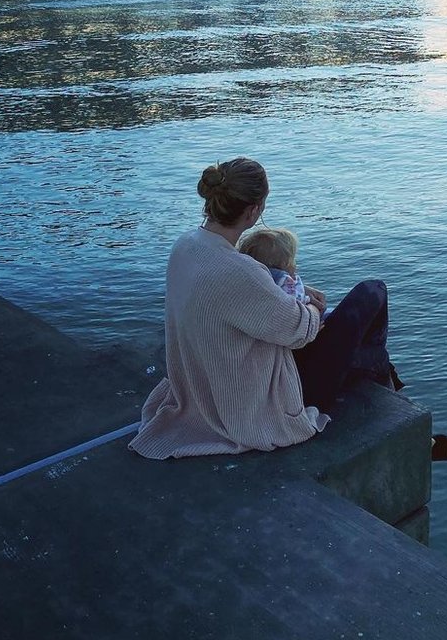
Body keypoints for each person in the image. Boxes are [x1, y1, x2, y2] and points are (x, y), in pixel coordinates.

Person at [130, 157, 398, 459]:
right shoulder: (239, 271)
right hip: (256, 403)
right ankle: (386, 384)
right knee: (371, 293)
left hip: (208, 381)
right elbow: (301, 332)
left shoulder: (186, 247)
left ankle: (381, 375)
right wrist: (309, 303)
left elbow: (244, 301)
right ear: (254, 210)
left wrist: (291, 291)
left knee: (356, 342)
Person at [238, 225, 320, 307]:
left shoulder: (251, 278)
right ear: (285, 263)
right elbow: (295, 306)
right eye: (293, 258)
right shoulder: (285, 281)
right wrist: (310, 302)